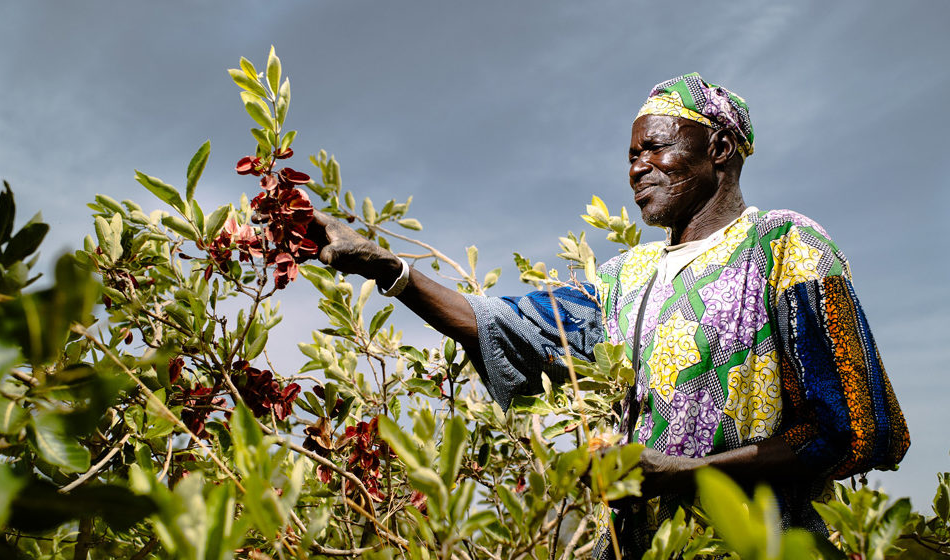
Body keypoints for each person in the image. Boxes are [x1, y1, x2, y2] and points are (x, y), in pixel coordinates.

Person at [308, 73, 909, 557]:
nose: (636, 167)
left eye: (656, 147)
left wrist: (683, 473)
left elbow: (853, 427)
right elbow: (500, 325)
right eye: (630, 155)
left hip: (759, 542)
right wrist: (383, 265)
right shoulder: (624, 279)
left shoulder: (785, 247)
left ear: (719, 149)